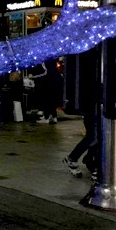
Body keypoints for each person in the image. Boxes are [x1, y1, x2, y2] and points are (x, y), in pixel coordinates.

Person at [63, 49, 99, 179]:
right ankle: (75, 158)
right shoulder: (91, 56)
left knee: (96, 135)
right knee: (94, 135)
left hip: (93, 100)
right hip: (91, 100)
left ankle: (92, 162)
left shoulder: (92, 54)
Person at [32, 58, 62, 124]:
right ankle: (54, 117)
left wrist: (33, 76)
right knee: (52, 99)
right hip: (55, 80)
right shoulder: (53, 58)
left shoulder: (44, 59)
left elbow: (44, 71)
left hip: (47, 80)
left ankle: (46, 117)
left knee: (46, 99)